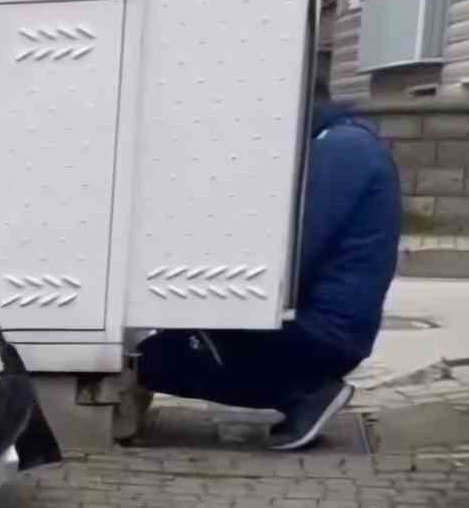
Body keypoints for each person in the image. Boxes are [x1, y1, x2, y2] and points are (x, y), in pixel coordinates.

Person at [131, 76, 401, 451]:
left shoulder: (341, 150)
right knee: (172, 341)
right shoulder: (347, 143)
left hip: (317, 335)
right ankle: (301, 388)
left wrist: (213, 295)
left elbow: (295, 255)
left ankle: (303, 391)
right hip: (328, 329)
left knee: (152, 359)